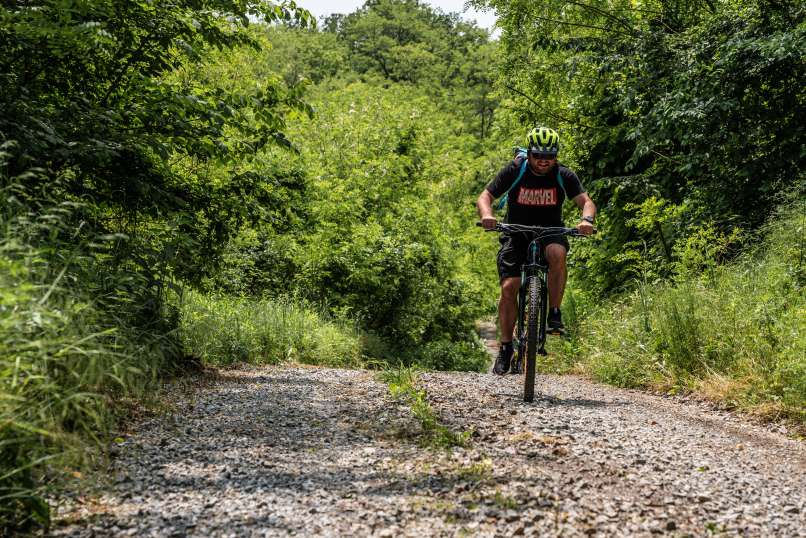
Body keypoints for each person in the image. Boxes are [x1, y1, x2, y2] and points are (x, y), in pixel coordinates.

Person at [476, 126, 596, 375]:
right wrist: (488, 215)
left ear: (556, 156)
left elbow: (586, 202)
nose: (544, 161)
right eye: (539, 156)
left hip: (550, 230)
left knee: (557, 254)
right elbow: (485, 196)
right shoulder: (514, 170)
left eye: (550, 156)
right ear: (529, 154)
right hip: (515, 231)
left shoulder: (564, 174)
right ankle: (506, 347)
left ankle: (554, 312)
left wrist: (587, 221)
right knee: (509, 288)